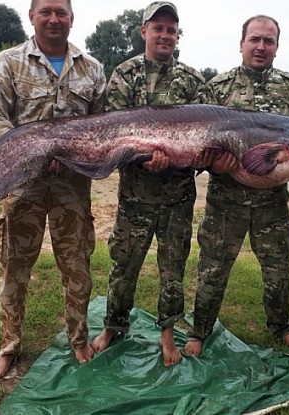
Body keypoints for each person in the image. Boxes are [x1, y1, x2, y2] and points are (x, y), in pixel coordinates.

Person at [0, 0, 106, 378]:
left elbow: (104, 127)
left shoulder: (92, 68)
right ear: (31, 17)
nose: (54, 19)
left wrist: (78, 155)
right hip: (22, 186)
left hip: (73, 188)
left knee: (77, 267)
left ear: (71, 19)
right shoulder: (9, 62)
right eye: (46, 11)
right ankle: (9, 345)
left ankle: (79, 339)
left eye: (61, 12)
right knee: (14, 267)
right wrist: (30, 153)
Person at [183, 15, 289, 358]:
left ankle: (281, 325)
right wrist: (214, 162)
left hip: (272, 203)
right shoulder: (217, 89)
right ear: (241, 43)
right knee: (212, 268)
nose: (261, 46)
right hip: (225, 201)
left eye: (268, 41)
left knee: (278, 269)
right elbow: (199, 146)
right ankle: (199, 330)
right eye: (255, 39)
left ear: (276, 47)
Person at [90, 1, 205, 367]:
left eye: (171, 29)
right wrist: (145, 159)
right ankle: (113, 325)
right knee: (124, 264)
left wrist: (181, 160)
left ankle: (167, 333)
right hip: (134, 197)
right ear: (144, 32)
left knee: (173, 270)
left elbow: (205, 141)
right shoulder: (124, 75)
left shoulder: (193, 80)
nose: (165, 35)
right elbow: (113, 135)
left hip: (178, 199)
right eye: (158, 28)